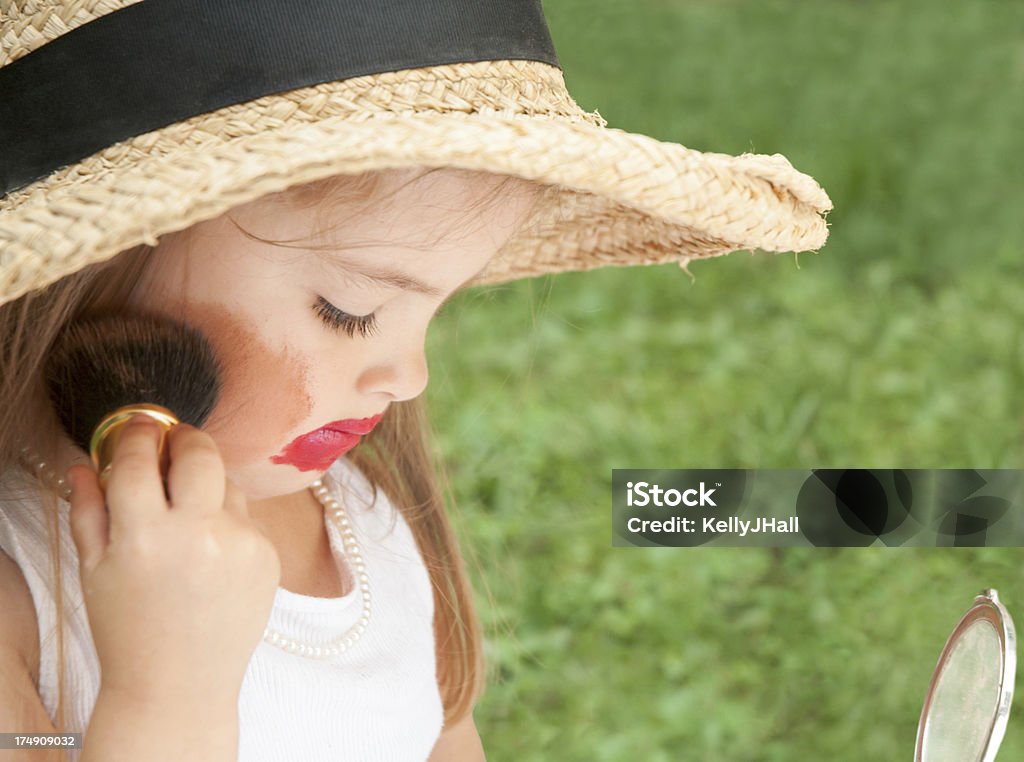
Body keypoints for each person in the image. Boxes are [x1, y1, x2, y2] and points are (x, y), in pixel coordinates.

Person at [0, 1, 832, 761]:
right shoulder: (21, 596)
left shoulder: (363, 524)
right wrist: (167, 697)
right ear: (93, 256)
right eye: (351, 310)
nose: (409, 375)